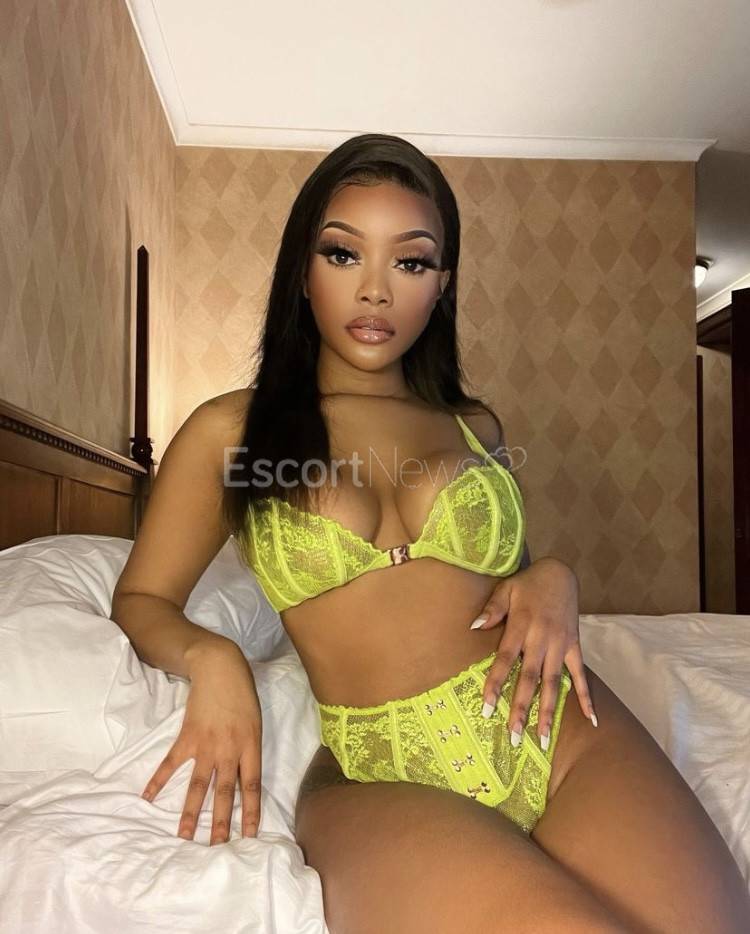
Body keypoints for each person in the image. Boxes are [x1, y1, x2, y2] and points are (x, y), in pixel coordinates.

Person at [111, 134, 749, 932]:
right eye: (343, 254)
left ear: (441, 284)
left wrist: (554, 575)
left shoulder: (477, 425)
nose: (375, 291)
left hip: (552, 725)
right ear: (302, 273)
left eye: (410, 262)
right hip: (379, 771)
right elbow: (141, 598)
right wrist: (215, 659)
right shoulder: (229, 433)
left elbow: (507, 587)